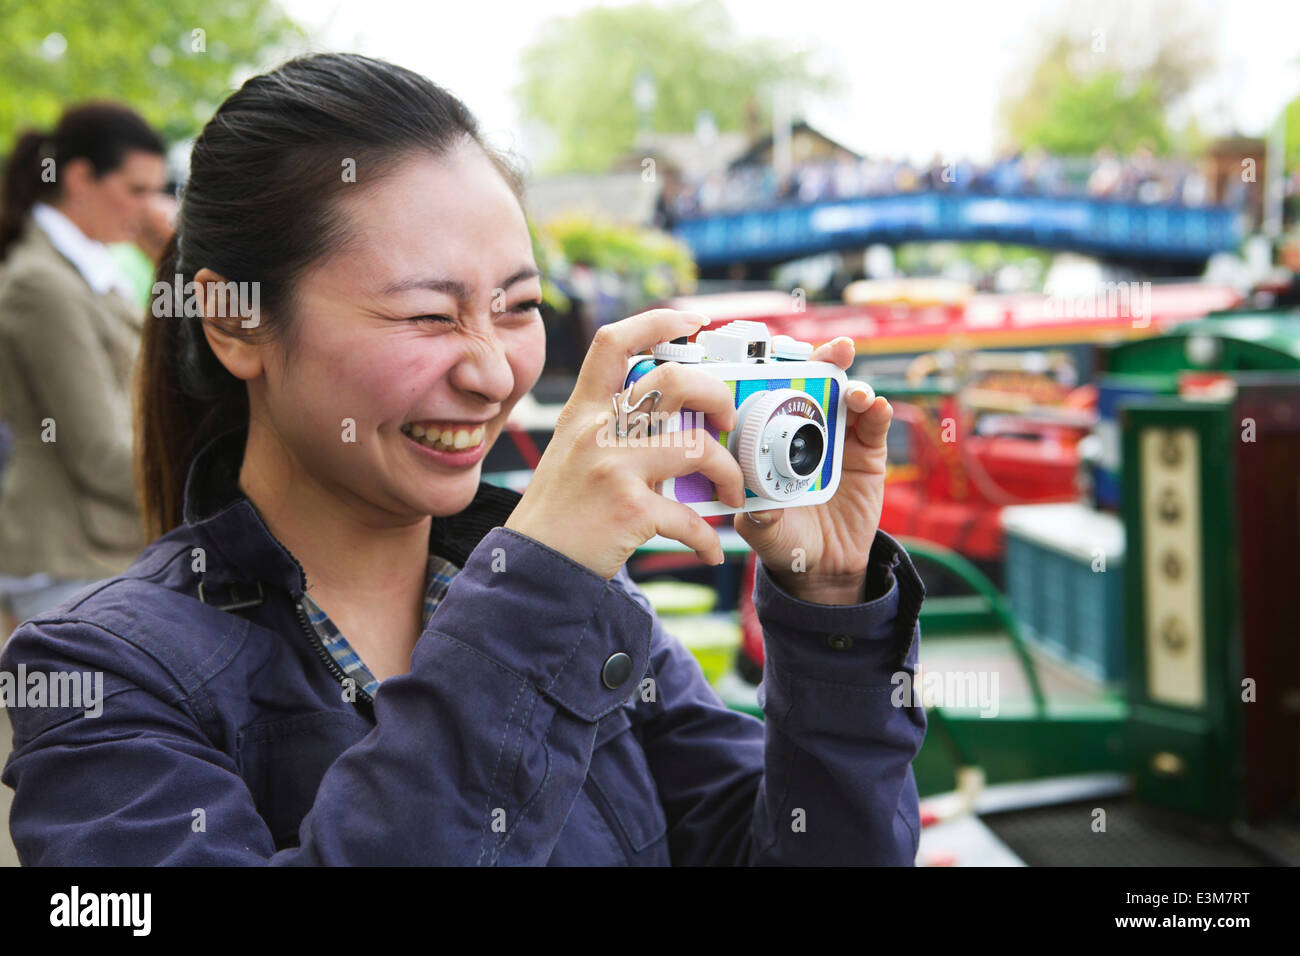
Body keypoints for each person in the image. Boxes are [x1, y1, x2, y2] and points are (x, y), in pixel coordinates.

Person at [0, 54, 926, 865]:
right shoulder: (102, 676)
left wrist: (831, 612)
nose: (494, 374)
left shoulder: (601, 621)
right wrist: (543, 583)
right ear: (239, 320)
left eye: (518, 307)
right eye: (427, 314)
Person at [0, 103, 167, 628]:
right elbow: (100, 451)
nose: (150, 208)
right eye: (136, 190)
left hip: (100, 552)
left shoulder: (94, 268)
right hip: (73, 557)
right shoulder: (43, 284)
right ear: (79, 178)